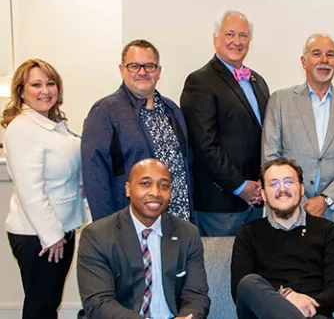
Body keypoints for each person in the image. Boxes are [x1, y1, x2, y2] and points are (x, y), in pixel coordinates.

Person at [1, 59, 87, 319]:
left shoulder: (53, 124)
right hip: (39, 236)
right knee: (41, 307)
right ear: (21, 91)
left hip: (62, 230)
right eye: (36, 84)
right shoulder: (21, 128)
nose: (45, 90)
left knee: (48, 304)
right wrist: (52, 236)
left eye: (50, 83)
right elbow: (30, 191)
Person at [77, 159, 210, 319]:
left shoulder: (187, 233)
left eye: (164, 186)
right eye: (145, 184)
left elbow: (196, 295)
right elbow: (98, 303)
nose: (155, 192)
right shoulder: (97, 235)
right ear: (128, 189)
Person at [262, 33, 334, 234]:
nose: (324, 60)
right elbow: (270, 157)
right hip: (286, 209)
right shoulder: (280, 101)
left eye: (330, 55)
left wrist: (326, 200)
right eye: (316, 54)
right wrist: (297, 199)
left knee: (329, 265)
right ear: (304, 61)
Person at [82, 39, 193, 222]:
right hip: (130, 225)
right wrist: (108, 230)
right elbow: (95, 178)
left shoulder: (171, 110)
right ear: (122, 69)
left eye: (149, 66)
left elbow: (186, 167)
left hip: (177, 221)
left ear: (158, 72)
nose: (142, 72)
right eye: (134, 66)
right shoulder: (105, 112)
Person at [180, 10, 269, 236]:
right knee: (219, 268)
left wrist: (262, 184)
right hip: (220, 204)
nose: (237, 42)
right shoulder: (200, 81)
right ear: (215, 38)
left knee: (250, 269)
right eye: (230, 34)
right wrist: (240, 186)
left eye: (243, 35)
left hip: (256, 201)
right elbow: (205, 145)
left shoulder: (258, 81)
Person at [231, 158, 334, 319]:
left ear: (301, 189)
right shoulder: (248, 233)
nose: (282, 189)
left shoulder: (327, 230)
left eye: (288, 182)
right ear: (264, 194)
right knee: (248, 283)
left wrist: (307, 306)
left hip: (313, 314)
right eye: (274, 184)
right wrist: (286, 296)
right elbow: (240, 291)